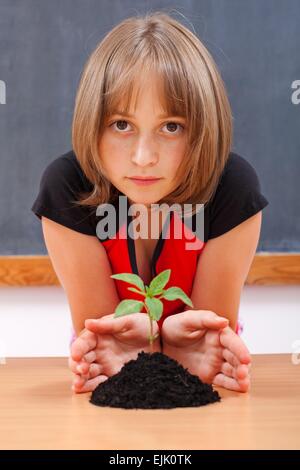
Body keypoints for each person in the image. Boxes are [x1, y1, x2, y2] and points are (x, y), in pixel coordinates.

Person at [31, 11, 269, 394]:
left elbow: (207, 340)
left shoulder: (233, 187)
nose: (143, 157)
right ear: (93, 123)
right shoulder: (67, 188)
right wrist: (148, 344)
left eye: (171, 126)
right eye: (121, 124)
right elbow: (103, 340)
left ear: (203, 129)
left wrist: (177, 344)